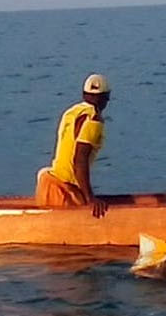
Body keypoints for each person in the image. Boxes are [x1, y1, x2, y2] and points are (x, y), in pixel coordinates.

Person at [37, 73, 111, 218]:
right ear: (106, 98)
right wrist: (90, 199)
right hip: (64, 193)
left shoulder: (71, 112)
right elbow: (80, 160)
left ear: (84, 94)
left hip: (48, 184)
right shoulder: (94, 120)